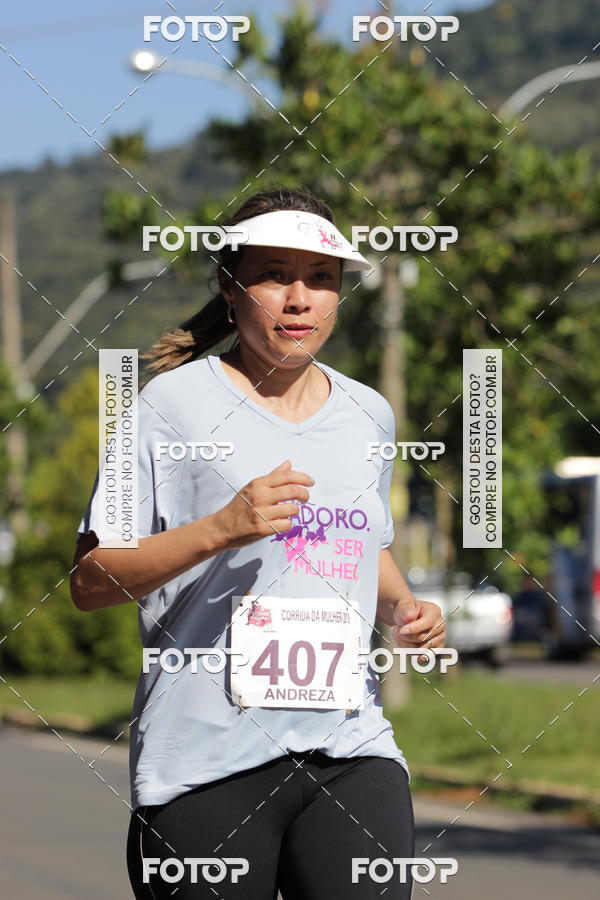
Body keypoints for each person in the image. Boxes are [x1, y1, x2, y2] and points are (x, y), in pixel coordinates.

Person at [71, 186, 446, 899]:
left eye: (321, 278)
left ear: (340, 294)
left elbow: (364, 538)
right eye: (275, 273)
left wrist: (403, 609)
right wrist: (224, 526)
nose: (299, 298)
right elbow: (91, 581)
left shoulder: (370, 413)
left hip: (349, 746)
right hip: (206, 760)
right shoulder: (169, 406)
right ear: (230, 285)